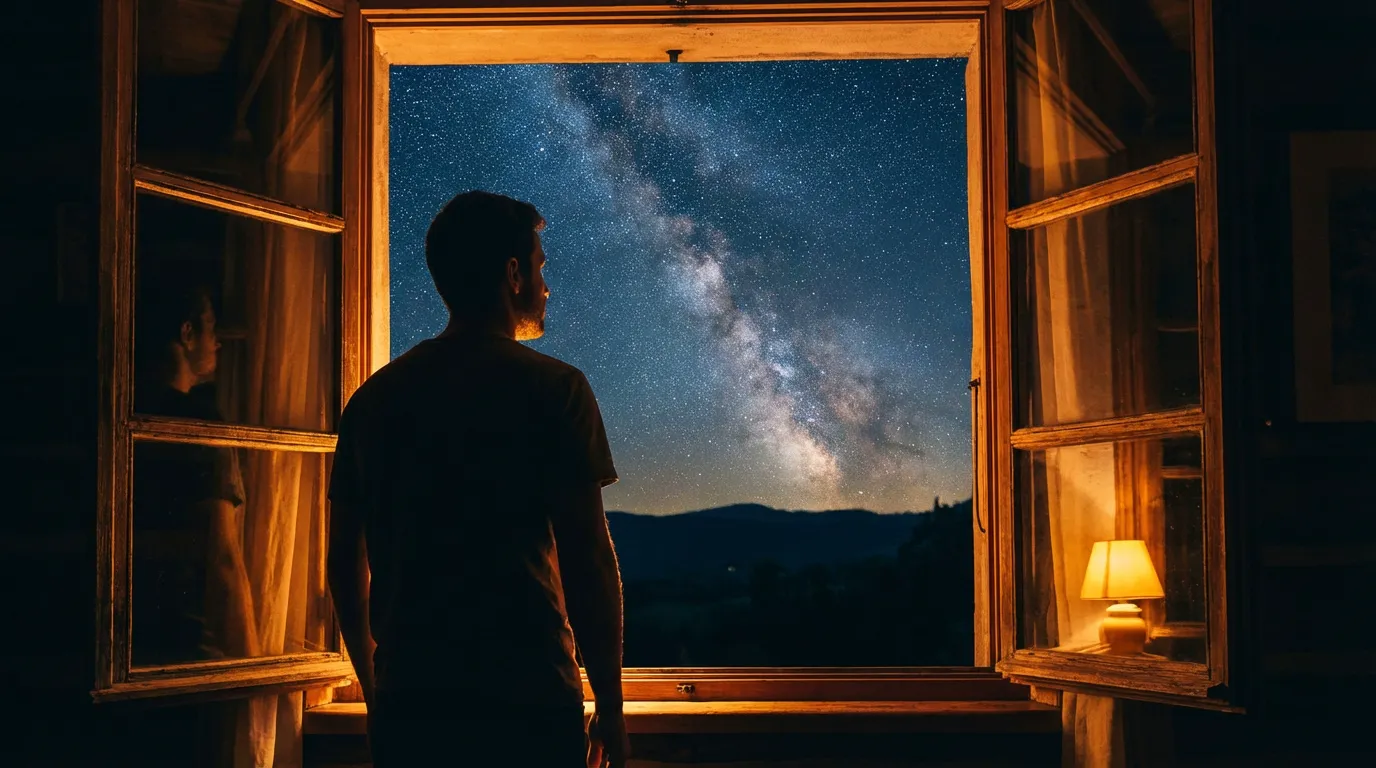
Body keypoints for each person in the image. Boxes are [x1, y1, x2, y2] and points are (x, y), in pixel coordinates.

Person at [327, 191, 629, 768]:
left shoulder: (373, 402)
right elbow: (588, 557)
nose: (546, 286)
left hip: (412, 712)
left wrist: (376, 693)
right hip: (529, 706)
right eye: (540, 267)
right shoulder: (556, 391)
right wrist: (610, 708)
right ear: (512, 273)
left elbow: (345, 560)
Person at [132, 277, 259, 664]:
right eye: (211, 326)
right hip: (190, 644)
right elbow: (222, 556)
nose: (218, 341)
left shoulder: (128, 412)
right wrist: (252, 670)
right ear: (187, 333)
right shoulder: (201, 423)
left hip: (130, 644)